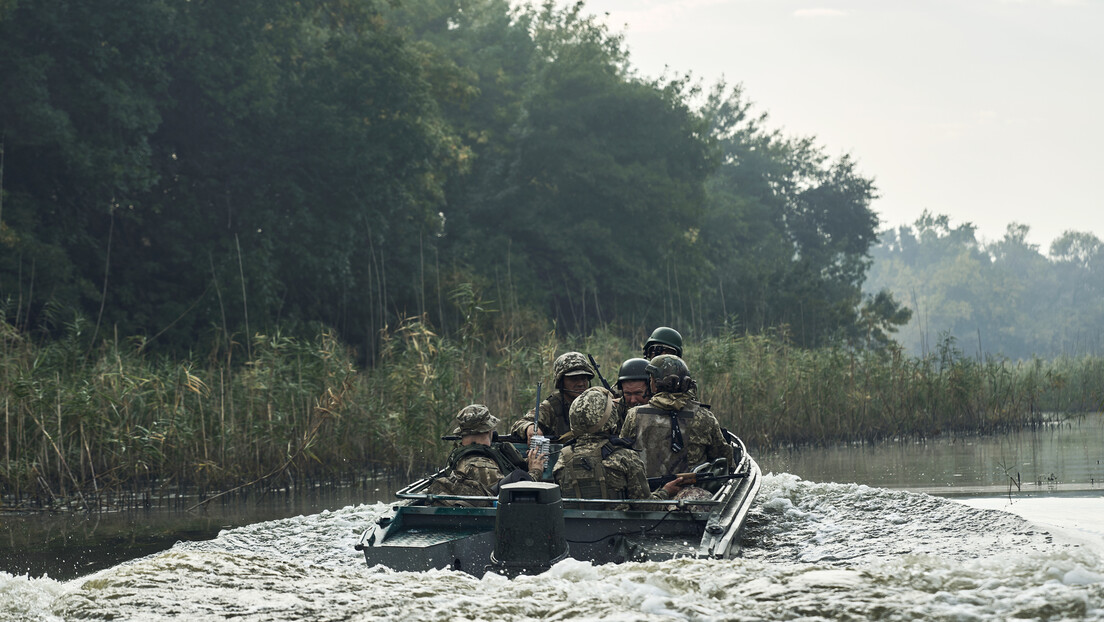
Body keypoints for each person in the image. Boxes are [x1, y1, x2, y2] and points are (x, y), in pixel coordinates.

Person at [553, 387, 684, 509]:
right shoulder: (625, 457)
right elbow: (646, 507)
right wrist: (665, 492)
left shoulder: (563, 458)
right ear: (610, 419)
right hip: (617, 531)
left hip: (575, 530)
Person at [619, 354, 733, 478]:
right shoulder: (704, 417)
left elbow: (622, 455)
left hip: (646, 493)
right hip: (691, 493)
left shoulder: (634, 415)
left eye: (651, 378)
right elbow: (724, 459)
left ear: (655, 384)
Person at [427, 404, 547, 507]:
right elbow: (513, 496)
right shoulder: (481, 465)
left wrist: (527, 463)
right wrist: (535, 471)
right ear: (488, 431)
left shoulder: (468, 454)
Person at [509, 351, 594, 441]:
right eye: (574, 379)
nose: (581, 384)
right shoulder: (552, 407)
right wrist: (530, 428)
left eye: (584, 378)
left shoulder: (596, 402)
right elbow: (520, 424)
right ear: (561, 382)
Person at [610, 357, 650, 435]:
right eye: (628, 394)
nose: (633, 400)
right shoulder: (617, 409)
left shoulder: (664, 411)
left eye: (638, 393)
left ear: (651, 389)